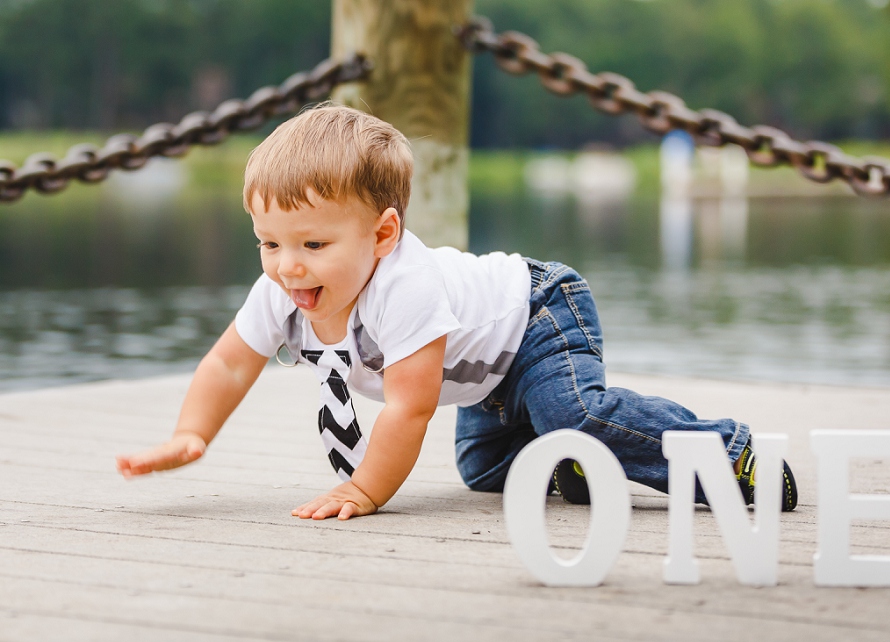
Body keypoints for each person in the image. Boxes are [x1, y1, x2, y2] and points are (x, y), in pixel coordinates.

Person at [115, 103, 797, 520]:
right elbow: (230, 363)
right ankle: (575, 462)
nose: (287, 265)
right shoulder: (284, 290)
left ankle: (725, 453)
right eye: (269, 242)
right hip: (484, 373)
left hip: (535, 314)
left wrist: (365, 489)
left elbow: (410, 408)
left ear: (382, 234)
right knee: (486, 471)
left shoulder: (402, 285)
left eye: (313, 244)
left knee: (573, 413)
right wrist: (192, 431)